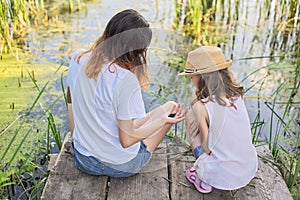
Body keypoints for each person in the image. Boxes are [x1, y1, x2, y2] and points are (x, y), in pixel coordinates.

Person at [66, 9, 185, 178]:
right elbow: (127, 140)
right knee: (171, 109)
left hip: (84, 160)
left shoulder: (78, 58)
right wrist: (162, 121)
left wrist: (76, 139)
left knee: (159, 111)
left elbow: (70, 100)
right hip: (121, 167)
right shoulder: (125, 79)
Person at [179, 46, 258, 193]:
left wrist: (195, 115)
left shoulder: (201, 106)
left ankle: (202, 178)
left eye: (192, 77)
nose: (191, 81)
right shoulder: (237, 96)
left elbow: (208, 147)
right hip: (247, 169)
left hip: (222, 175)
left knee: (190, 117)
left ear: (201, 77)